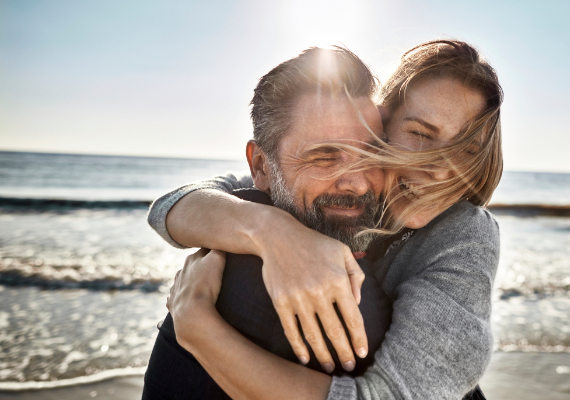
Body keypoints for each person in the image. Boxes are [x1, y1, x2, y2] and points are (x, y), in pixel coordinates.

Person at [156, 40, 502, 399]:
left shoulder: (462, 232)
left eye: (464, 150)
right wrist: (274, 232)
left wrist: (197, 326)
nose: (439, 169)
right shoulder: (332, 188)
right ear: (384, 124)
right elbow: (173, 207)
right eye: (419, 134)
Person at [142, 46, 396, 399]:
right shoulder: (275, 279)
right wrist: (271, 231)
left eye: (373, 153)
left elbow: (171, 206)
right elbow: (166, 209)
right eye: (324, 157)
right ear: (261, 166)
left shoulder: (398, 213)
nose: (358, 182)